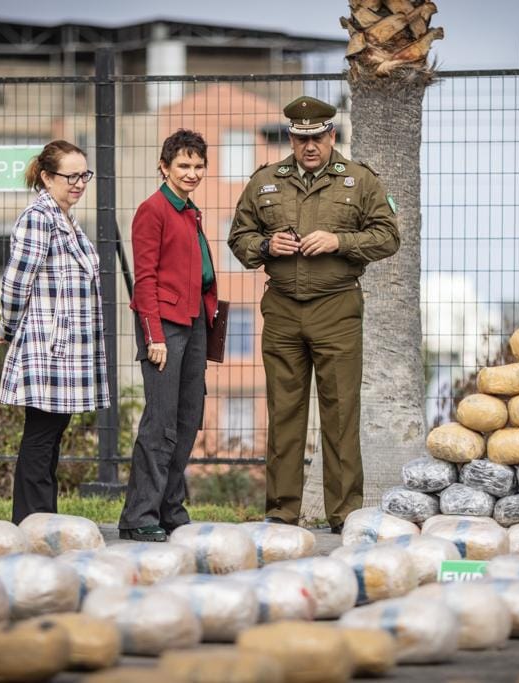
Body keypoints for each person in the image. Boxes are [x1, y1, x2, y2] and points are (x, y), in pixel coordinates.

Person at [227, 96, 399, 534]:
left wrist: (339, 242)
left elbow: (387, 236)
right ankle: (282, 512)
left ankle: (344, 514)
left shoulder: (359, 181)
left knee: (340, 413)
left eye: (318, 137)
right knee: (284, 413)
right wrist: (267, 246)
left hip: (336, 307)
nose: (310, 146)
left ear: (331, 136)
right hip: (282, 308)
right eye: (301, 138)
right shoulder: (265, 182)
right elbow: (240, 237)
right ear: (291, 137)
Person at [0, 140, 109, 524]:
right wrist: (9, 329)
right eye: (70, 176)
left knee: (49, 437)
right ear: (47, 177)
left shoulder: (65, 216)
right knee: (42, 438)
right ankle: (31, 521)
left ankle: (40, 519)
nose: (79, 183)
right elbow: (15, 282)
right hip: (46, 347)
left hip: (63, 348)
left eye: (84, 175)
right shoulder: (39, 217)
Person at [118, 129, 219, 542]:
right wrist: (154, 336)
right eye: (183, 166)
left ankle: (170, 508)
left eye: (198, 166)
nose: (192, 173)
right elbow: (145, 281)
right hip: (165, 329)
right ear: (164, 167)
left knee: (187, 419)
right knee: (159, 425)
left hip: (194, 323)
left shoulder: (189, 211)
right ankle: (138, 515)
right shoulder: (153, 210)